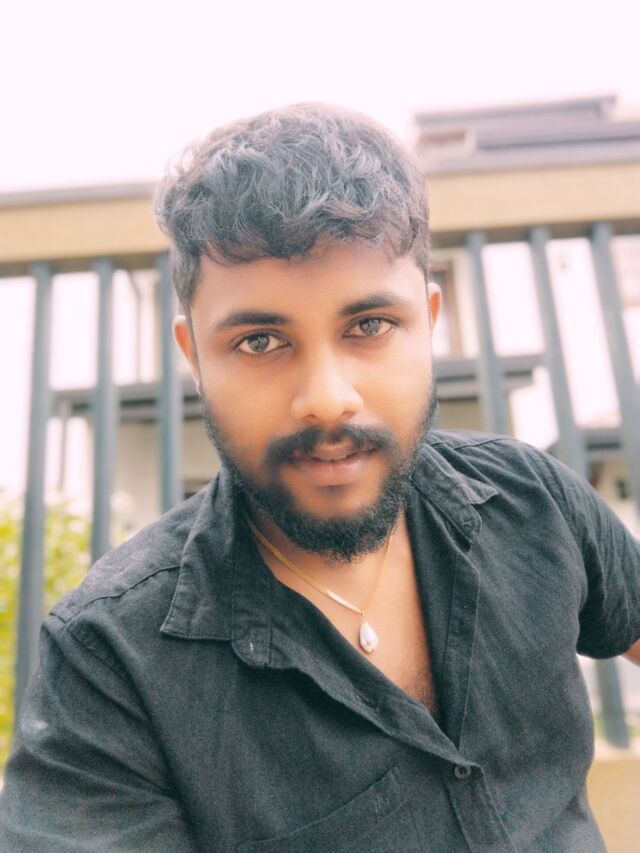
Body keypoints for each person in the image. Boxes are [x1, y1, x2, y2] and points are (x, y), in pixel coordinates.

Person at [1, 103, 639, 853]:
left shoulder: (533, 501)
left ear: (428, 323)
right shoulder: (111, 659)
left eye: (369, 326)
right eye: (260, 340)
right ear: (194, 356)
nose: (328, 398)